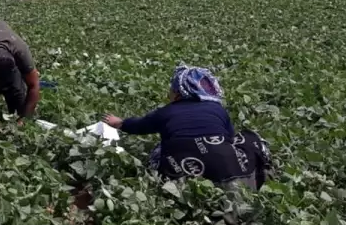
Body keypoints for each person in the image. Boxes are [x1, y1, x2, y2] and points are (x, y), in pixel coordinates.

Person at [103, 64, 271, 190]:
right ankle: (258, 175)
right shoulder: (217, 109)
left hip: (181, 170)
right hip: (227, 169)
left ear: (178, 93)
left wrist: (120, 123)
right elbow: (230, 138)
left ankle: (175, 186)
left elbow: (139, 126)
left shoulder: (166, 112)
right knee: (250, 138)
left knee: (160, 149)